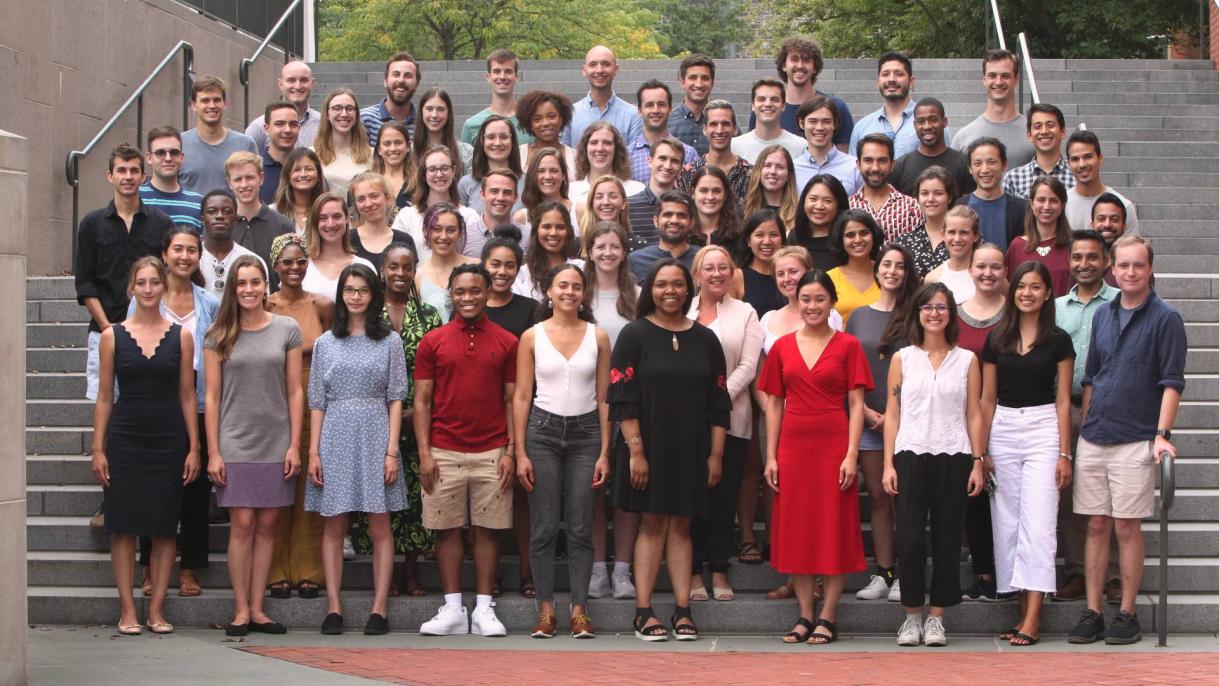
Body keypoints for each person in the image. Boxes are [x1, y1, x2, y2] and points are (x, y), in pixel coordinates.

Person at [1068, 235, 1186, 646]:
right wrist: (1085, 422)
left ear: (1150, 269)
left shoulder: (1165, 318)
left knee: (1125, 526)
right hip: (1096, 434)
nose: (1131, 273)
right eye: (1124, 266)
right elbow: (1091, 377)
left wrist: (1162, 435)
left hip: (1137, 436)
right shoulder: (1102, 316)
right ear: (1111, 270)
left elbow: (1172, 382)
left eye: (1138, 266)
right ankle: (1093, 610)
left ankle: (1128, 613)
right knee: (1096, 524)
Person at [610, 260, 729, 641]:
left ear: (688, 289)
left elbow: (719, 402)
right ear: (651, 289)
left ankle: (682, 609)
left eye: (678, 284)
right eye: (662, 284)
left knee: (682, 525)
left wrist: (715, 455)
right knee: (654, 524)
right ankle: (643, 612)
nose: (670, 291)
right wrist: (636, 453)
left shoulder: (705, 339)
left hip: (692, 448)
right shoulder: (634, 334)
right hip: (647, 447)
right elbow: (622, 400)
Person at [761, 269, 873, 644]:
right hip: (792, 445)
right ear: (797, 301)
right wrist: (772, 456)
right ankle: (805, 614)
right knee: (798, 531)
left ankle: (828, 615)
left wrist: (852, 454)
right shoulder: (780, 347)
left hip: (834, 443)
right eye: (805, 299)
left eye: (819, 299)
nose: (812, 306)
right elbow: (773, 404)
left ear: (832, 302)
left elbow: (857, 405)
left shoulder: (849, 346)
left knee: (833, 528)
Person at [90, 257, 200, 636]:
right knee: (122, 527)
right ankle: (127, 611)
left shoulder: (182, 335)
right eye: (142, 282)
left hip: (169, 437)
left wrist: (194, 447)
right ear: (132, 288)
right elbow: (105, 396)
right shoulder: (112, 335)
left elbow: (189, 395)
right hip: (125, 436)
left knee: (165, 526)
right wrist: (97, 448)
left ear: (165, 287)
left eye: (156, 282)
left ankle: (156, 610)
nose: (149, 289)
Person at [305, 263, 410, 636]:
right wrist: (314, 452)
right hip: (335, 431)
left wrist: (391, 451)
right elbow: (317, 400)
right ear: (340, 294)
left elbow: (396, 397)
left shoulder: (390, 341)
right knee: (334, 523)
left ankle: (379, 608)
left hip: (375, 428)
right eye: (349, 290)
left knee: (380, 523)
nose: (355, 296)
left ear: (373, 295)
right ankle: (333, 607)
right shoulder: (324, 343)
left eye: (362, 290)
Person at [415, 263, 519, 637]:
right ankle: (453, 608)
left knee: (489, 530)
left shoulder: (508, 341)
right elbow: (422, 401)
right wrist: (425, 454)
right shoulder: (434, 341)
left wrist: (510, 450)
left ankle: (484, 608)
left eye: (476, 290)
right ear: (451, 294)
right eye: (461, 291)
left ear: (488, 292)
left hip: (492, 449)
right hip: (444, 449)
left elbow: (512, 400)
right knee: (446, 530)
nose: (468, 297)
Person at [882, 283, 987, 647]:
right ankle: (911, 617)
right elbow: (892, 415)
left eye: (941, 307)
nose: (934, 313)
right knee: (908, 539)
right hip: (910, 454)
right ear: (917, 313)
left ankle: (938, 618)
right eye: (927, 307)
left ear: (951, 314)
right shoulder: (902, 359)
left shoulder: (968, 360)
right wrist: (887, 464)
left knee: (946, 540)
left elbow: (974, 413)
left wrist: (978, 461)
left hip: (954, 454)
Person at [204, 256, 303, 636]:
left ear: (266, 284)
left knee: (267, 524)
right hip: (235, 439)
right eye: (241, 282)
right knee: (242, 523)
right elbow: (211, 397)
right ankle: (240, 609)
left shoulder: (287, 329)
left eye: (255, 282)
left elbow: (295, 389)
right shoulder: (218, 333)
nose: (248, 289)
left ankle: (259, 608)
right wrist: (214, 450)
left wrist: (295, 444)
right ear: (233, 287)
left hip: (276, 438)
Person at [513, 264, 612, 638]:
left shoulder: (599, 336)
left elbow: (605, 397)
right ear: (549, 291)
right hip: (542, 432)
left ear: (584, 293)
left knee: (581, 527)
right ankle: (545, 610)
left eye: (576, 286)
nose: (569, 292)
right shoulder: (531, 336)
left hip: (587, 433)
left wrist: (606, 450)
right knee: (542, 527)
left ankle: (580, 610)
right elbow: (522, 395)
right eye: (562, 286)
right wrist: (520, 451)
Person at [980, 260, 1075, 646]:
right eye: (1022, 286)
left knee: (1038, 522)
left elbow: (1064, 401)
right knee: (1007, 524)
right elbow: (986, 400)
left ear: (1048, 293)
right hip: (1001, 427)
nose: (1028, 293)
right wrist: (980, 450)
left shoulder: (1059, 339)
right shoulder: (996, 338)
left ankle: (1033, 620)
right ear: (1012, 290)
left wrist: (1064, 454)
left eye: (1036, 287)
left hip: (1043, 428)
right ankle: (1023, 614)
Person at [125, 228, 216, 599]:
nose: (184, 256)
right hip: (155, 403)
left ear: (199, 256)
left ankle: (189, 569)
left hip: (197, 402)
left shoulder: (208, 302)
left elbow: (216, 352)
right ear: (165, 253)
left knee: (194, 491)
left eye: (191, 250)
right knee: (154, 488)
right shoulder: (147, 298)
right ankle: (149, 566)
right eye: (177, 249)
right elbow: (129, 347)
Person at [349, 243, 443, 597]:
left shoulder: (430, 316)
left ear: (415, 268)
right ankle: (382, 574)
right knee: (381, 495)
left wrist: (415, 411)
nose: (400, 273)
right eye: (393, 267)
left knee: (416, 497)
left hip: (419, 418)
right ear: (382, 269)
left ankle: (411, 571)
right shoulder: (367, 316)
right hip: (374, 420)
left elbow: (438, 370)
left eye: (407, 267)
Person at [688, 246, 763, 603]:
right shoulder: (681, 308)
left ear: (733, 273)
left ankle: (718, 569)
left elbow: (748, 367)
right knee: (690, 498)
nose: (717, 273)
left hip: (732, 418)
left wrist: (714, 401)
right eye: (709, 268)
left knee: (722, 498)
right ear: (696, 273)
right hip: (684, 422)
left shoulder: (746, 312)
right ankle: (690, 571)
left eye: (724, 267)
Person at [845, 243, 919, 603]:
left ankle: (907, 572)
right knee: (876, 496)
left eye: (899, 266)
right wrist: (870, 413)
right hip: (869, 419)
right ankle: (884, 571)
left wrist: (896, 413)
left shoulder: (916, 314)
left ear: (908, 272)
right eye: (886, 264)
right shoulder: (858, 315)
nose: (892, 271)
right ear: (877, 269)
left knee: (902, 498)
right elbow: (849, 369)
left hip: (908, 422)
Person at [1052, 230, 1121, 605]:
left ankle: (1110, 575)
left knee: (1105, 493)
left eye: (1092, 257)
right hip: (1062, 406)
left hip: (1108, 409)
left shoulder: (1119, 304)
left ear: (1106, 261)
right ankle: (1079, 570)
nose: (1083, 264)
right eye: (1077, 257)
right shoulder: (1056, 307)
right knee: (1068, 493)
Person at [76, 144, 174, 401]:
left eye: (134, 170)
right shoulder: (91, 224)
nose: (128, 176)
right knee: (105, 405)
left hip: (152, 333)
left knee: (150, 403)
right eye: (121, 170)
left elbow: (168, 278)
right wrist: (107, 327)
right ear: (110, 176)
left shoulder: (162, 223)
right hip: (104, 330)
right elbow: (85, 284)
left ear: (144, 176)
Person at [266, 234, 333, 601]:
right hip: (274, 401)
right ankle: (275, 569)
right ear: (275, 265)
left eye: (300, 261)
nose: (294, 268)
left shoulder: (322, 305)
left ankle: (310, 569)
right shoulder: (266, 305)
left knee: (311, 484)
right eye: (287, 262)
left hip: (314, 402)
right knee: (277, 485)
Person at [581, 223, 642, 599]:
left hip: (630, 404)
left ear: (624, 251)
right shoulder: (580, 293)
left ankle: (622, 569)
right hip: (586, 404)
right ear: (589, 250)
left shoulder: (635, 294)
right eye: (600, 246)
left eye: (614, 246)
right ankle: (597, 567)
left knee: (626, 491)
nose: (607, 252)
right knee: (593, 490)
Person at [954, 242, 1008, 602]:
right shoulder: (954, 315)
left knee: (1009, 499)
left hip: (1011, 416)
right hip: (961, 417)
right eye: (981, 266)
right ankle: (984, 573)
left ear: (1005, 272)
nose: (988, 273)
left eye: (995, 267)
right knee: (973, 497)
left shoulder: (1017, 313)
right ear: (970, 269)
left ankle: (1011, 573)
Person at [751, 36, 853, 149]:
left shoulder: (836, 107)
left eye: (806, 60)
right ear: (784, 65)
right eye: (794, 59)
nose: (800, 65)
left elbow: (843, 158)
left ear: (815, 67)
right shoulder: (764, 109)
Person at [952, 50, 1035, 168]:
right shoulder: (964, 137)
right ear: (984, 79)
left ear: (1016, 79)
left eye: (1005, 76)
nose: (998, 82)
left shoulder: (1035, 133)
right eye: (992, 76)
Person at [393, 146, 481, 256]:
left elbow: (473, 260)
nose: (439, 174)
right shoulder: (406, 216)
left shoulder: (469, 217)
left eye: (444, 168)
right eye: (432, 169)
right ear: (424, 175)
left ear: (453, 171)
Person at [179, 76, 257, 194]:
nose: (212, 106)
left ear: (224, 103)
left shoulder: (245, 144)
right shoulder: (179, 144)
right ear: (194, 105)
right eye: (205, 101)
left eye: (216, 100)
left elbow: (254, 189)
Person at [226, 151, 295, 285]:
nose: (244, 184)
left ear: (261, 178)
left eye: (250, 177)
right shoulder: (222, 226)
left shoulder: (283, 225)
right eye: (238, 179)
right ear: (229, 183)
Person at [890, 98, 974, 199]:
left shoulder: (964, 163)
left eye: (933, 120)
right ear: (915, 125)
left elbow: (969, 206)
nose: (927, 126)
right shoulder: (900, 166)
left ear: (945, 122)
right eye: (921, 121)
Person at [299, 193, 375, 301]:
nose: (330, 224)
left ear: (347, 218)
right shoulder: (300, 267)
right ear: (315, 222)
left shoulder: (364, 266)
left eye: (336, 217)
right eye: (323, 218)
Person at [565, 45, 644, 148]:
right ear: (584, 70)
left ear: (616, 69)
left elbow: (634, 159)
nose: (599, 70)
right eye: (593, 64)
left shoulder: (633, 116)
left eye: (606, 64)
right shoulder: (570, 114)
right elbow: (564, 157)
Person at [849, 134, 923, 242]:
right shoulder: (848, 207)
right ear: (858, 164)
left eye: (882, 161)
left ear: (892, 164)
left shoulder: (912, 208)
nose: (875, 168)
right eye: (868, 160)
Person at [1007, 176, 1073, 297]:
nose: (1047, 206)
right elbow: (1011, 290)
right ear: (1031, 203)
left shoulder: (1073, 245)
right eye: (1041, 200)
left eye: (1053, 201)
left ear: (1062, 205)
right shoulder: (1017, 246)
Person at [848, 52, 921, 162]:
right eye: (885, 74)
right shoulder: (862, 127)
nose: (891, 79)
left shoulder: (929, 123)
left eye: (899, 74)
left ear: (911, 81)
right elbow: (854, 172)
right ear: (878, 82)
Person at [956, 137, 1027, 248]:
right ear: (970, 168)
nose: (985, 170)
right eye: (977, 163)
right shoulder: (959, 207)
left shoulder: (1022, 209)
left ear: (1004, 165)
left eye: (992, 162)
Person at [677, 101, 751, 204]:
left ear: (734, 129)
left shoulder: (750, 174)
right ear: (705, 129)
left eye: (725, 124)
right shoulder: (688, 173)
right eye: (713, 124)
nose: (719, 130)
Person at [1065, 130, 1139, 234]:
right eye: (1075, 159)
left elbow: (1131, 249)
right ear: (1069, 164)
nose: (1082, 164)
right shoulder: (1062, 205)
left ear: (1100, 158)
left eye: (1088, 157)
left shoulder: (1124, 206)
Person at [629, 80, 700, 184]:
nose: (656, 110)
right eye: (649, 105)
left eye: (661, 104)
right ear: (640, 110)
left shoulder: (689, 154)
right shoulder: (627, 156)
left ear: (670, 109)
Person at [415, 202, 479, 317]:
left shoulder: (476, 266)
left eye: (451, 230)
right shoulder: (418, 278)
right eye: (437, 229)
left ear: (460, 233)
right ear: (426, 231)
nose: (444, 236)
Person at [199, 190, 268, 296]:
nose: (220, 216)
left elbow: (262, 306)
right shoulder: (191, 259)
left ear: (235, 219)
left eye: (227, 212)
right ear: (202, 220)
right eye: (212, 211)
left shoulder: (252, 260)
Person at [461, 48, 533, 146]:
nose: (502, 76)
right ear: (488, 77)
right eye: (497, 71)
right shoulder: (471, 126)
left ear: (516, 77)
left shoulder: (531, 122)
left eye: (508, 71)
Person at [793, 95, 863, 196]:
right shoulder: (792, 169)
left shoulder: (854, 168)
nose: (819, 127)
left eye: (826, 121)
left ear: (835, 124)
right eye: (813, 121)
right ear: (801, 123)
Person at [1002, 103, 1075, 199]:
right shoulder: (1013, 179)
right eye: (1037, 126)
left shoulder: (1076, 176)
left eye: (1050, 125)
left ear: (1063, 132)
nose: (1044, 131)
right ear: (1029, 135)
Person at [458, 115, 526, 214]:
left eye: (504, 137)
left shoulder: (527, 183)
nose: (497, 143)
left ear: (512, 141)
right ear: (482, 141)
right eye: (491, 137)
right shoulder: (466, 183)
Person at [245, 61, 321, 150]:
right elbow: (244, 159)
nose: (298, 86)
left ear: (312, 83)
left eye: (303, 80)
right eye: (291, 80)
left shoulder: (323, 124)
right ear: (281, 84)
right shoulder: (259, 127)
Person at [895, 166, 956, 278]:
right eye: (924, 193)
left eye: (938, 193)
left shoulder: (964, 238)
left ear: (950, 197)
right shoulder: (904, 241)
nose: (930, 199)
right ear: (917, 198)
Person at [313, 88, 374, 199]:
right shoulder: (312, 154)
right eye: (337, 108)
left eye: (350, 108)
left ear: (356, 114)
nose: (344, 114)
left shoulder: (372, 154)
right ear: (327, 114)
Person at [140, 126, 204, 231]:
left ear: (182, 157)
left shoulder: (199, 203)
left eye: (174, 153)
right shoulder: (135, 198)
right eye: (160, 153)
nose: (168, 158)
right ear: (149, 158)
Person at [516, 201, 584, 299]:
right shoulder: (522, 274)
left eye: (560, 227)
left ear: (568, 231)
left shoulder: (582, 268)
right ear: (536, 230)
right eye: (546, 227)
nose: (553, 233)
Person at [349, 172, 415, 271]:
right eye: (361, 199)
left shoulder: (404, 240)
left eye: (374, 196)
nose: (368, 204)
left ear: (388, 199)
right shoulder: (348, 240)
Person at [626, 137, 687, 245]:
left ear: (681, 169)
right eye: (662, 158)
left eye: (674, 161)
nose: (667, 166)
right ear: (650, 161)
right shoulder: (628, 206)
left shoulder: (687, 207)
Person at [827, 209, 884, 323]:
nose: (858, 240)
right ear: (841, 240)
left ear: (874, 235)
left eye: (864, 233)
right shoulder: (829, 279)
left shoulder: (887, 274)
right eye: (850, 235)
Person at [570, 122, 644, 209]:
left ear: (616, 149)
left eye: (607, 143)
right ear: (585, 149)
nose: (600, 148)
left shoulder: (637, 190)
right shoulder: (571, 192)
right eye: (594, 143)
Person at [732, 79, 806, 165]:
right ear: (753, 105)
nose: (768, 104)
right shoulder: (734, 146)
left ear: (783, 106)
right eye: (761, 99)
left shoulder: (800, 146)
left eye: (774, 99)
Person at [629, 190, 697, 281]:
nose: (674, 221)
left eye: (681, 215)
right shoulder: (635, 260)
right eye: (668, 215)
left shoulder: (702, 259)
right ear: (656, 221)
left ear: (691, 222)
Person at [464, 169, 526, 261]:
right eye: (494, 191)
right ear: (482, 195)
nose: (500, 198)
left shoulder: (528, 236)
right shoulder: (464, 235)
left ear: (515, 198)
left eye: (507, 192)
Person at [360, 52, 420, 146]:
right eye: (396, 74)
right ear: (385, 82)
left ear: (417, 84)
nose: (401, 80)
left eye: (408, 75)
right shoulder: (364, 119)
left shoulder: (422, 123)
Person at [791, 174, 848, 271]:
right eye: (813, 199)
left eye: (828, 201)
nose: (819, 206)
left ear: (839, 205)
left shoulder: (847, 239)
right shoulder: (794, 237)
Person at [925, 205, 981, 303]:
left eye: (964, 233)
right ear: (943, 235)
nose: (957, 239)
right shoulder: (932, 278)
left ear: (975, 236)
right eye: (951, 232)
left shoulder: (987, 274)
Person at [415, 87, 475, 177]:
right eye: (429, 109)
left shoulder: (466, 152)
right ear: (421, 112)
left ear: (448, 113)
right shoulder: (409, 152)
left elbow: (469, 188)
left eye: (441, 109)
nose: (434, 115)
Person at [512, 148, 575, 231]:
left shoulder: (579, 211)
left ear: (563, 175)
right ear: (533, 175)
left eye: (554, 171)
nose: (547, 176)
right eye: (541, 171)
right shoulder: (521, 217)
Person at [668, 55, 716, 156]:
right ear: (682, 82)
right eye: (693, 78)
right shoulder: (668, 123)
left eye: (705, 78)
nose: (699, 84)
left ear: (712, 83)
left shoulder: (724, 124)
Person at [742, 145, 799, 231]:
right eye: (767, 165)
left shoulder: (800, 214)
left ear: (789, 175)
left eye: (780, 167)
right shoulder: (743, 213)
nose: (773, 171)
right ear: (758, 171)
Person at [517, 90, 577, 170]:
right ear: (530, 124)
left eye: (551, 116)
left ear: (561, 119)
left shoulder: (575, 157)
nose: (545, 123)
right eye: (537, 119)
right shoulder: (518, 154)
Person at [273, 148, 328, 234]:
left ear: (319, 176)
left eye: (309, 169)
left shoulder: (329, 210)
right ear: (287, 176)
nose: (303, 174)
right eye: (297, 170)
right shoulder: (274, 212)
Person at [257, 101, 302, 204]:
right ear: (266, 129)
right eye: (280, 124)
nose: (287, 130)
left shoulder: (309, 168)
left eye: (293, 124)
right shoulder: (255, 169)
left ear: (299, 128)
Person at [687, 165, 743, 247]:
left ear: (725, 195)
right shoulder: (683, 234)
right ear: (693, 193)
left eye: (716, 191)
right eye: (703, 191)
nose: (710, 197)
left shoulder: (739, 235)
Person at [372, 122, 414, 215]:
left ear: (408, 146)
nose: (393, 148)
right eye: (387, 144)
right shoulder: (366, 182)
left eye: (398, 143)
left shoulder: (420, 183)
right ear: (379, 149)